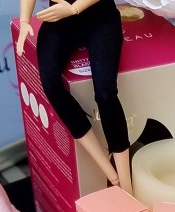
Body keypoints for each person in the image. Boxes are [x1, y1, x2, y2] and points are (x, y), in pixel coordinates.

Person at [16, 0, 132, 192]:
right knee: (51, 85)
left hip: (100, 17)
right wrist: (24, 21)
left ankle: (126, 185)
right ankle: (110, 172)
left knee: (105, 93)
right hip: (60, 20)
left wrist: (74, 8)